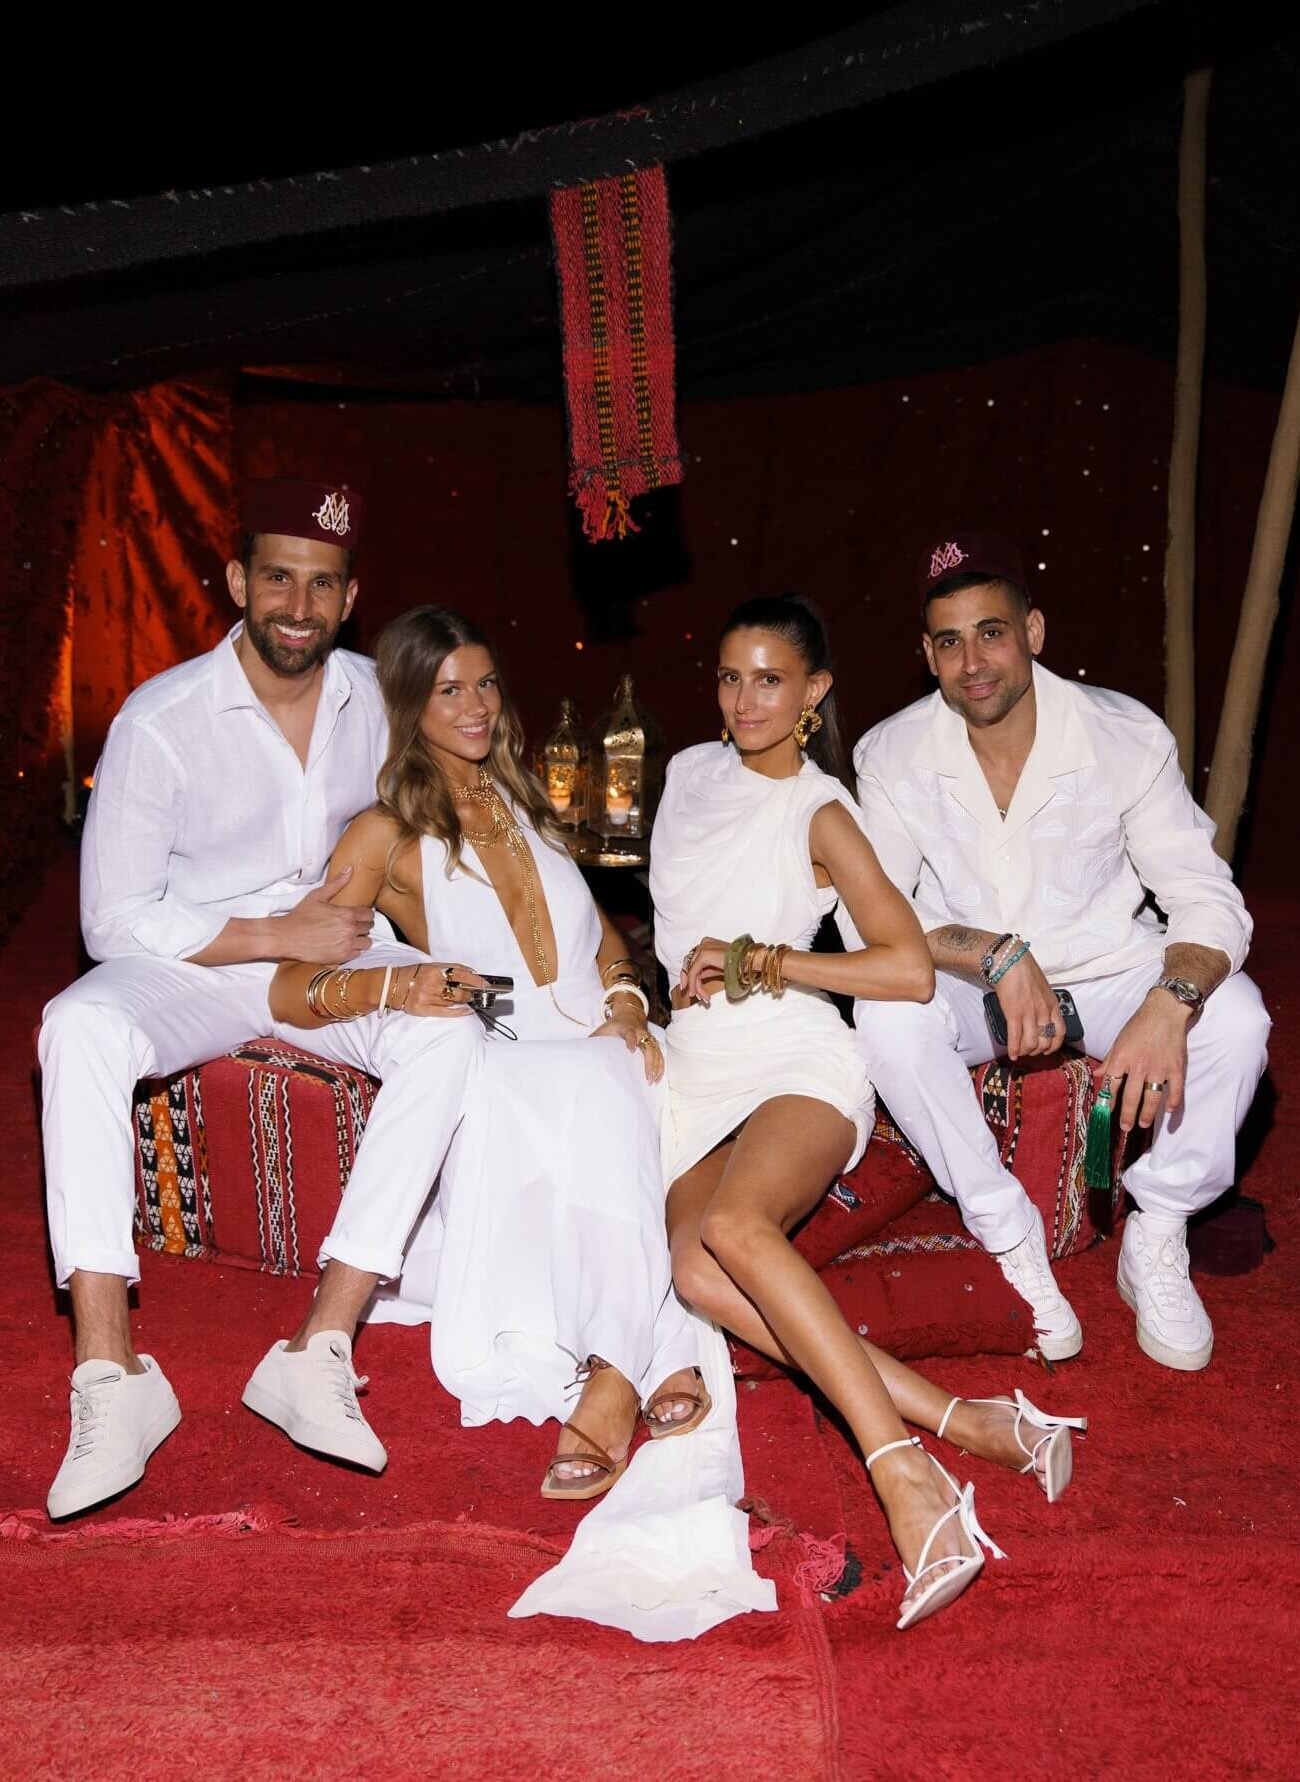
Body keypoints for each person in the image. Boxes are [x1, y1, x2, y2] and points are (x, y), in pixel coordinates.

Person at [268, 604, 773, 1640]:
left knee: (612, 1073)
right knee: (586, 1089)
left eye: (486, 684)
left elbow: (599, 948)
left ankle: (620, 1365)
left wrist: (629, 1003)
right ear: (409, 707)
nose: (475, 705)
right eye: (448, 689)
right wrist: (396, 989)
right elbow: (293, 982)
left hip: (593, 1043)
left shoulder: (530, 803)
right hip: (499, 1066)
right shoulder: (384, 833)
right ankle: (635, 1361)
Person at [38, 478, 482, 1520]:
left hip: (333, 960)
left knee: (446, 1039)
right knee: (79, 1025)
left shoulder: (381, 695)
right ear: (239, 581)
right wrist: (272, 934)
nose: (298, 604)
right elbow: (112, 920)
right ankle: (111, 1376)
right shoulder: (161, 719)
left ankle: (319, 1344)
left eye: (321, 585)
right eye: (277, 576)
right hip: (197, 964)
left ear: (350, 595)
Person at [651, 593, 1086, 1632]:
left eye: (770, 679)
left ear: (814, 693)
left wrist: (768, 960)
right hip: (692, 1065)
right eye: (729, 676)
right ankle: (968, 1423)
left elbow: (898, 965)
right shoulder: (683, 775)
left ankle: (905, 1477)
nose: (746, 698)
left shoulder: (820, 811)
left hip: (795, 1052)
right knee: (694, 1271)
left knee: (736, 1228)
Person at [851, 530, 1271, 1371]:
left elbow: (1206, 897)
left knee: (1239, 1018)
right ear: (926, 655)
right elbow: (881, 925)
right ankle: (1005, 1231)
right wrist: (996, 954)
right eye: (949, 641)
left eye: (992, 632)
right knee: (884, 1016)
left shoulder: (1123, 735)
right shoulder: (889, 753)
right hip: (971, 981)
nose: (973, 661)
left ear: (1034, 631)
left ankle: (1159, 1223)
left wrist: (1169, 1003)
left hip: (1113, 973)